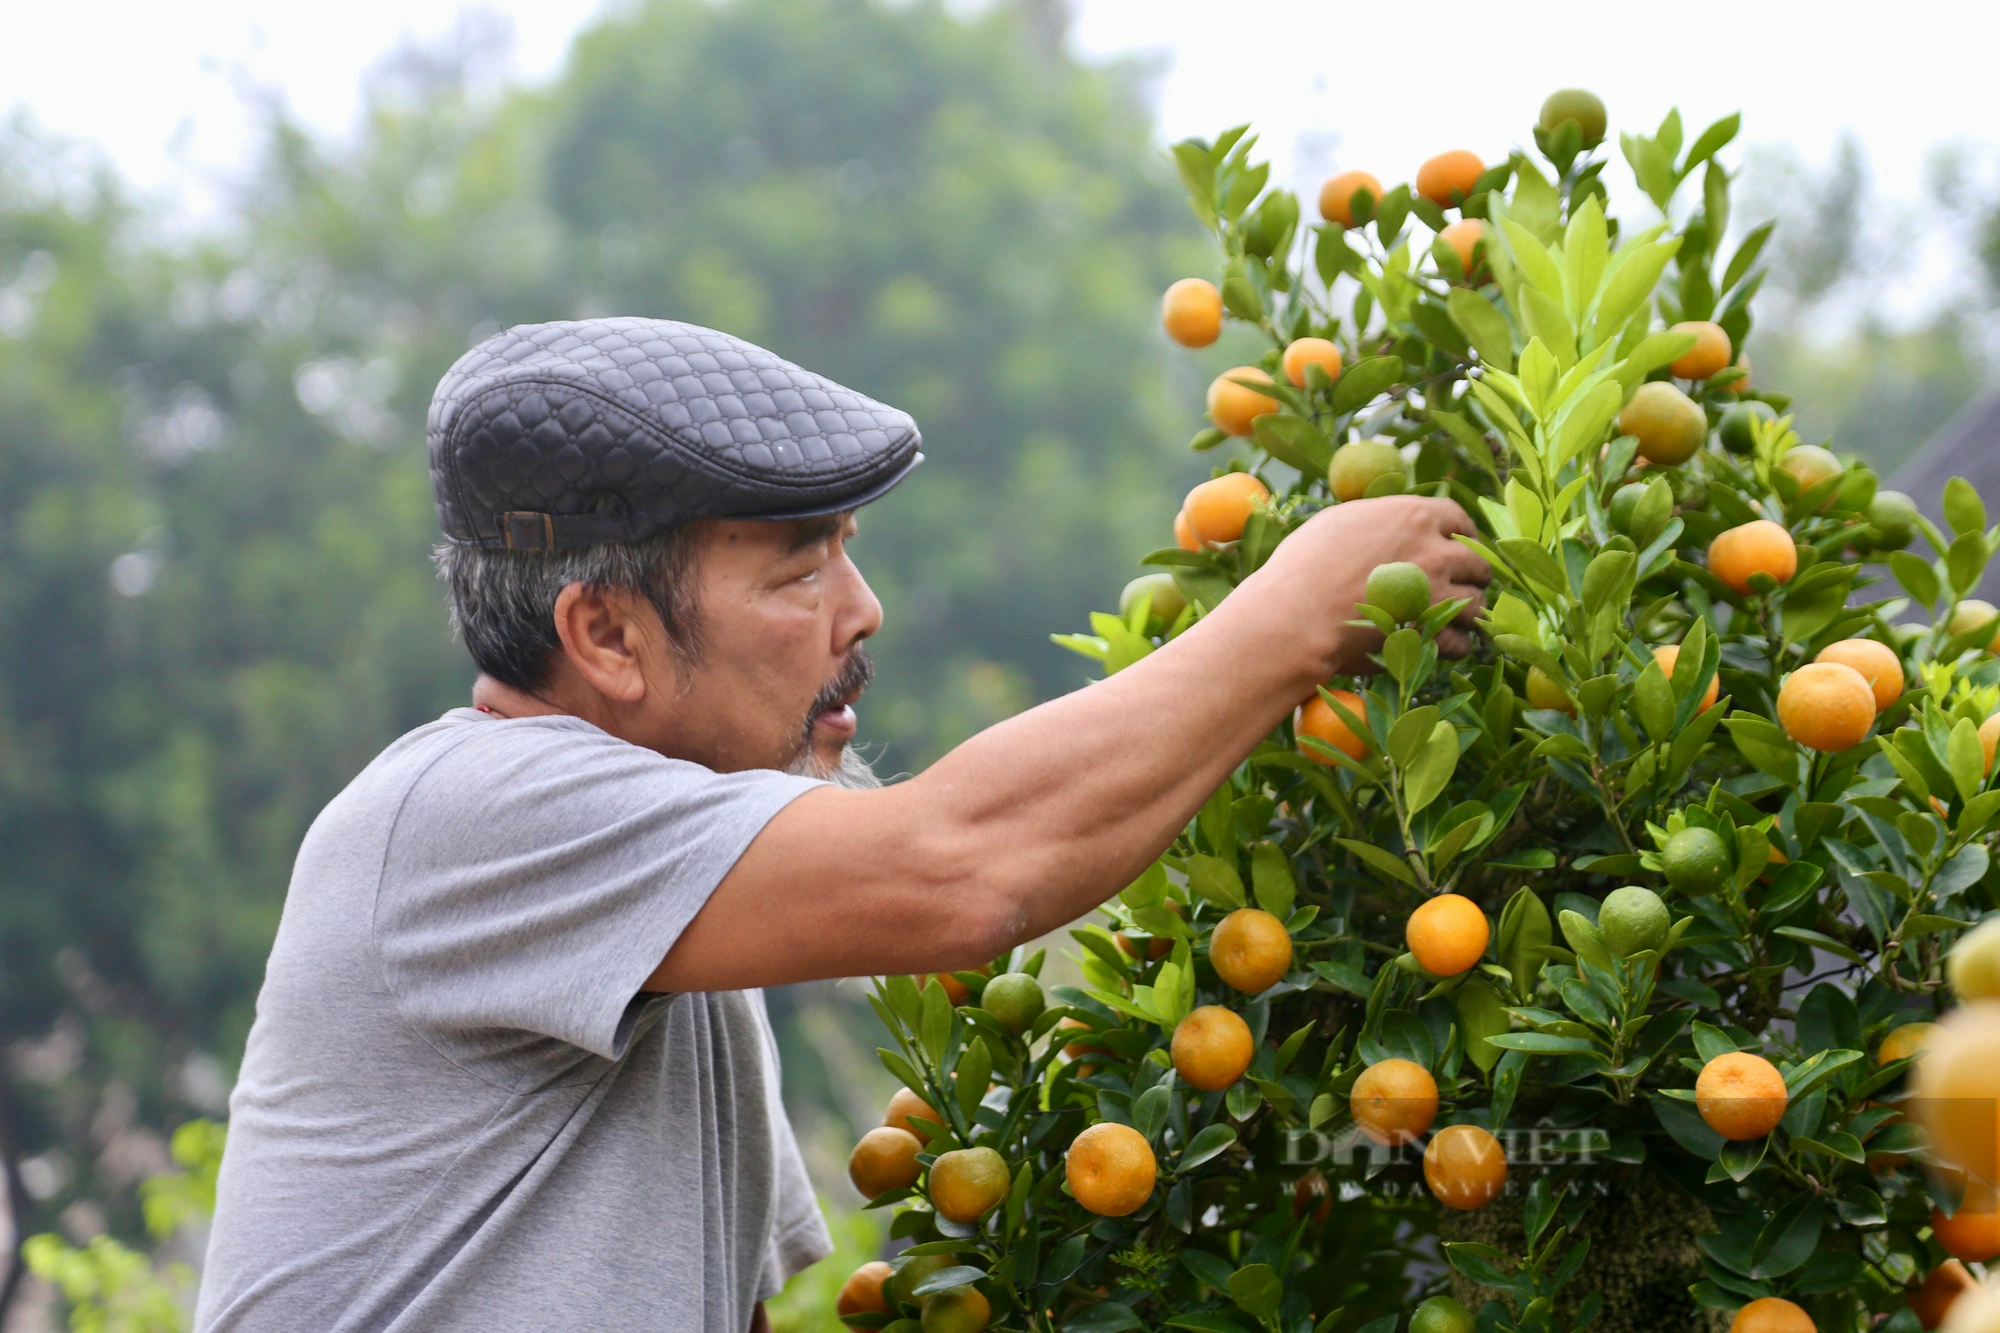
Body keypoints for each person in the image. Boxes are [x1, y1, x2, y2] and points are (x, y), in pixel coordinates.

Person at [195, 317, 1489, 1332]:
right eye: (799, 569)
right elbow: (967, 870)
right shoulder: (467, 818)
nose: (859, 612)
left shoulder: (679, 922)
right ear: (603, 634)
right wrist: (1299, 612)